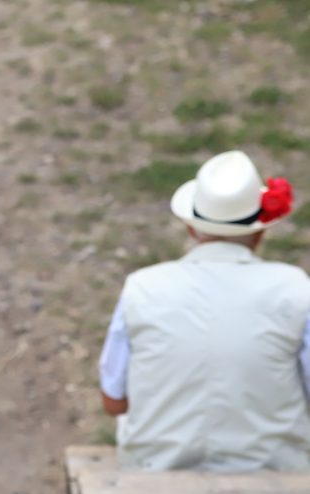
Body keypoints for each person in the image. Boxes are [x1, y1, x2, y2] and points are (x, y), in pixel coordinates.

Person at [99, 149, 310, 471]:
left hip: (155, 477)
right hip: (275, 478)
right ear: (261, 231)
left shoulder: (142, 287)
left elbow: (114, 402)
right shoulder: (295, 288)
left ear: (191, 228)